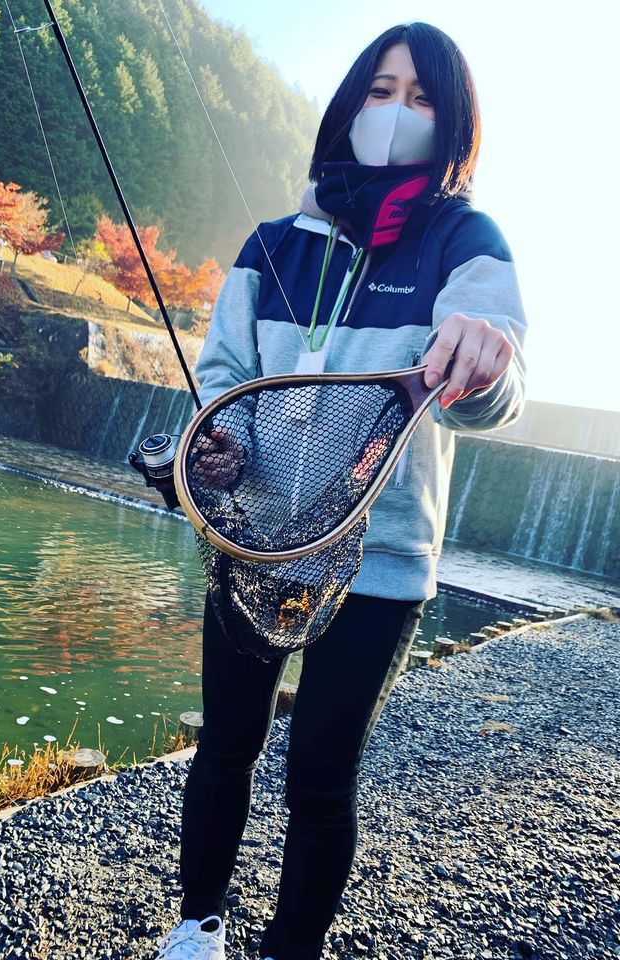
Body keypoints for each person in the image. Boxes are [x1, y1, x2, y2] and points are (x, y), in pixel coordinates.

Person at [153, 21, 526, 960]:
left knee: (322, 773)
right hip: (255, 543)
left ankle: (293, 949)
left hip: (385, 561)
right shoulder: (272, 243)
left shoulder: (464, 239)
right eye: (381, 90)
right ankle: (198, 926)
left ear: (454, 127)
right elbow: (226, 380)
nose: (397, 113)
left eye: (422, 98)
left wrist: (486, 358)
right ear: (349, 103)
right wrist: (218, 450)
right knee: (226, 743)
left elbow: (493, 370)